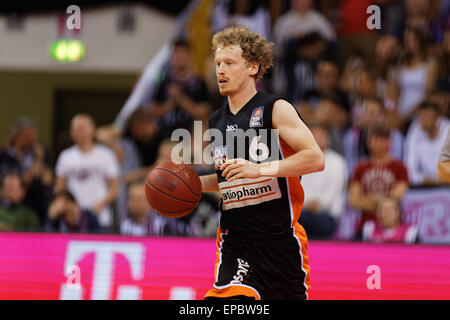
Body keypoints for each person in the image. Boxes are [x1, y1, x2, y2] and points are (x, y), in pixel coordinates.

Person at [200, 26, 325, 300]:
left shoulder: (275, 108)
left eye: (230, 63)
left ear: (253, 67)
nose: (220, 70)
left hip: (281, 244)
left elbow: (315, 158)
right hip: (236, 243)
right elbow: (228, 178)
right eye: (218, 63)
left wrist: (260, 168)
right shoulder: (216, 121)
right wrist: (194, 185)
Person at [54, 114, 120, 229]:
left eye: (82, 128)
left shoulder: (106, 155)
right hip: (73, 220)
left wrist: (101, 203)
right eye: (75, 129)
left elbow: (114, 189)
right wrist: (68, 207)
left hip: (100, 217)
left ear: (93, 130)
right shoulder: (65, 156)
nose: (79, 132)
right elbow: (59, 189)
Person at [348, 124, 409, 238]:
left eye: (379, 139)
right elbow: (354, 201)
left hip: (394, 230)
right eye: (372, 139)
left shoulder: (400, 168)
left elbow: (397, 197)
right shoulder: (360, 168)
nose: (375, 143)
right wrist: (386, 203)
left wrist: (373, 199)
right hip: (364, 226)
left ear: (388, 141)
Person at [148, 39, 212, 140]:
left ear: (190, 56)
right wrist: (169, 104)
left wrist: (181, 99)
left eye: (183, 54)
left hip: (190, 136)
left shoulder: (199, 83)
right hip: (165, 136)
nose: (180, 58)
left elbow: (204, 112)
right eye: (177, 54)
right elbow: (152, 110)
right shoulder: (164, 82)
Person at [298, 124, 347, 239]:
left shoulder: (338, 162)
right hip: (305, 211)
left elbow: (335, 189)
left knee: (321, 222)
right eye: (314, 136)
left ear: (328, 139)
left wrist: (319, 205)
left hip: (327, 214)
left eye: (321, 137)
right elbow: (299, 185)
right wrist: (308, 203)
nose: (317, 140)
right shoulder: (300, 159)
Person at [404, 101, 450, 186]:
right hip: (424, 186)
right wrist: (427, 180)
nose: (424, 120)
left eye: (428, 116)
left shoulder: (448, 131)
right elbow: (409, 169)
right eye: (421, 116)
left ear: (437, 118)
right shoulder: (415, 131)